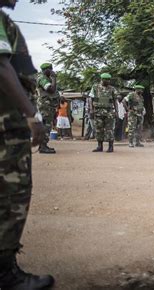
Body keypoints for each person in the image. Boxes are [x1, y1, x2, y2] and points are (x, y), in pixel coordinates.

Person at [0, 1, 55, 288]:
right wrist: (31, 115)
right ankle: (4, 274)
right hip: (6, 125)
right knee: (12, 195)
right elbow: (1, 64)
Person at [89, 73, 118, 153]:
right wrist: (91, 110)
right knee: (98, 129)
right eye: (107, 80)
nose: (108, 81)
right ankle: (99, 146)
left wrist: (116, 112)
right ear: (102, 79)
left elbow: (115, 101)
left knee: (109, 129)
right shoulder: (95, 87)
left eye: (109, 80)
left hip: (109, 112)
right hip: (98, 111)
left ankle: (110, 147)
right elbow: (90, 99)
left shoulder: (112, 89)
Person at [36, 62, 59, 154]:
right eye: (50, 69)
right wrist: (54, 78)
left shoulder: (47, 79)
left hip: (49, 106)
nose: (52, 71)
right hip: (45, 106)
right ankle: (43, 146)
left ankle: (43, 145)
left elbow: (54, 92)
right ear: (46, 70)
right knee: (46, 126)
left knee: (47, 125)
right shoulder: (42, 79)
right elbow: (51, 89)